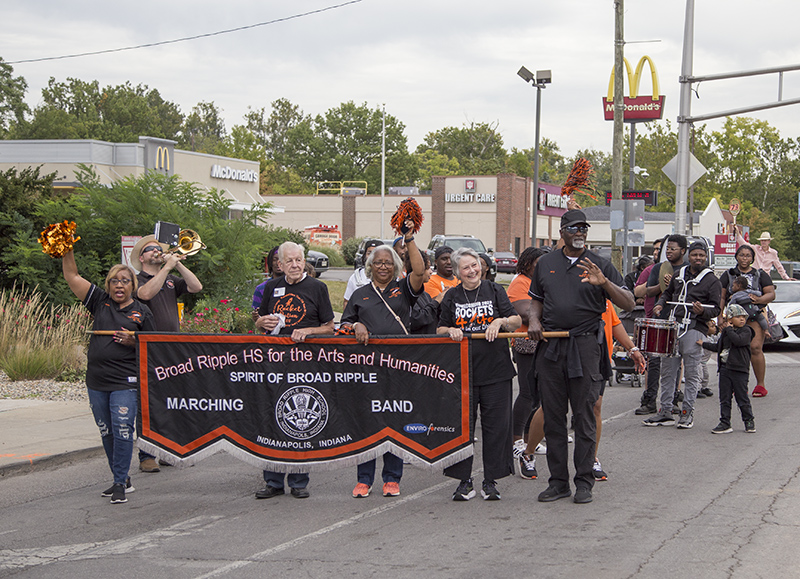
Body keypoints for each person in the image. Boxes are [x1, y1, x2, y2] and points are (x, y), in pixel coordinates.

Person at [527, 209, 634, 504]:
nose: (580, 232)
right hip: (552, 346)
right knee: (553, 418)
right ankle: (558, 482)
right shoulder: (546, 263)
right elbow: (536, 301)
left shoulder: (600, 264)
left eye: (584, 228)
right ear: (562, 231)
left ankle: (584, 481)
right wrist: (534, 322)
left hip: (586, 345)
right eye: (574, 227)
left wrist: (605, 284)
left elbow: (628, 302)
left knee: (585, 415)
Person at [61, 249, 155, 504]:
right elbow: (72, 276)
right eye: (114, 280)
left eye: (125, 280)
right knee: (107, 431)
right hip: (97, 381)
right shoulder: (99, 302)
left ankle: (118, 483)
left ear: (133, 286)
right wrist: (67, 250)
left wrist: (134, 340)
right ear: (108, 285)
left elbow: (153, 346)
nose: (119, 285)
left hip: (126, 381)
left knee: (123, 428)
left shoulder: (142, 312)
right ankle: (121, 477)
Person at [341, 222, 425, 498]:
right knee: (367, 423)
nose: (384, 267)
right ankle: (364, 479)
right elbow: (343, 325)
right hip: (366, 370)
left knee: (394, 421)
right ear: (370, 266)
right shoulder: (359, 294)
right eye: (378, 262)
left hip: (399, 368)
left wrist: (409, 239)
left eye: (389, 263)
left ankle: (392, 478)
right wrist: (356, 327)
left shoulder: (404, 290)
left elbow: (420, 271)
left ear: (396, 266)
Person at [254, 242, 336, 500]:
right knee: (272, 419)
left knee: (301, 419)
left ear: (304, 261)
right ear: (279, 264)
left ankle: (299, 480)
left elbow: (330, 327)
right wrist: (260, 322)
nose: (294, 265)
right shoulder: (271, 288)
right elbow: (261, 323)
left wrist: (308, 330)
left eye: (299, 260)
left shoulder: (318, 288)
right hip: (275, 363)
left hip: (306, 364)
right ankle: (273, 480)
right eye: (289, 261)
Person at [439, 247, 521, 501]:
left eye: (475, 265)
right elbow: (439, 328)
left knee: (496, 427)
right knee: (463, 428)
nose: (472, 270)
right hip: (462, 372)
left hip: (496, 371)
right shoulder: (452, 296)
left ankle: (491, 480)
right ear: (457, 272)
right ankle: (464, 481)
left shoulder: (496, 291)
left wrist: (500, 322)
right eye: (466, 267)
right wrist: (450, 330)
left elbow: (517, 320)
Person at [131, 234, 203, 473]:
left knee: (170, 401)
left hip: (172, 349)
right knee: (148, 403)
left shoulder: (172, 279)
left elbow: (196, 286)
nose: (156, 252)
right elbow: (145, 295)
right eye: (151, 250)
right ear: (142, 257)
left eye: (158, 249)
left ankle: (166, 450)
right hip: (149, 348)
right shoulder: (136, 279)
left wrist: (178, 263)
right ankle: (146, 455)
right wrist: (167, 267)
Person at [644, 241, 721, 429]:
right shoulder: (680, 274)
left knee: (692, 372)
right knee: (668, 370)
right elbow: (667, 294)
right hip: (673, 326)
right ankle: (665, 411)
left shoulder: (712, 280)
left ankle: (687, 412)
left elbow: (716, 309)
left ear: (706, 257)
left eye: (701, 256)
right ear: (689, 256)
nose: (698, 258)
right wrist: (661, 304)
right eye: (695, 255)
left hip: (694, 328)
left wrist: (702, 311)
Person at [633, 235, 685, 415]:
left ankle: (672, 400)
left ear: (683, 251)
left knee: (674, 362)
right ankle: (649, 400)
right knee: (653, 360)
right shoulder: (657, 268)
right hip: (658, 318)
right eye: (667, 249)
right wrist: (663, 286)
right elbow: (648, 291)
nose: (669, 252)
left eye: (673, 249)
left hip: (677, 319)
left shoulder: (687, 270)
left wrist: (674, 285)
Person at [507, 247, 549, 461]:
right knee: (527, 394)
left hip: (543, 343)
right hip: (525, 344)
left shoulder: (541, 282)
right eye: (538, 263)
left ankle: (529, 438)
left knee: (539, 394)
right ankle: (514, 440)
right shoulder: (520, 283)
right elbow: (525, 314)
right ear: (527, 263)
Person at [719, 244, 775, 397]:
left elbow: (771, 294)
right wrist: (720, 316)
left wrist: (758, 300)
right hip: (733, 316)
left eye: (748, 255)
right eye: (742, 255)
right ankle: (735, 384)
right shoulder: (728, 275)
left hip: (754, 315)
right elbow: (722, 296)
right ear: (736, 256)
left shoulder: (760, 274)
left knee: (755, 348)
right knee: (732, 349)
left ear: (752, 258)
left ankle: (760, 385)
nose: (745, 258)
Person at [700, 304, 756, 434]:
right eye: (738, 317)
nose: (742, 319)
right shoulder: (726, 332)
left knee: (742, 397)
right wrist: (703, 344)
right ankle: (725, 422)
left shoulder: (747, 331)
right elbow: (719, 347)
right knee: (724, 398)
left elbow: (739, 341)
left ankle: (749, 420)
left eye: (743, 317)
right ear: (730, 319)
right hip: (725, 369)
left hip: (740, 369)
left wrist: (729, 330)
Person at [343, 239, 384, 310]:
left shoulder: (392, 277)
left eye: (376, 253)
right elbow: (347, 302)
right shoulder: (356, 277)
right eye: (369, 253)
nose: (372, 256)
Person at [252, 246, 283, 312]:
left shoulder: (295, 286)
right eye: (275, 259)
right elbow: (258, 316)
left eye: (281, 259)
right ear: (270, 262)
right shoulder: (261, 289)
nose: (278, 263)